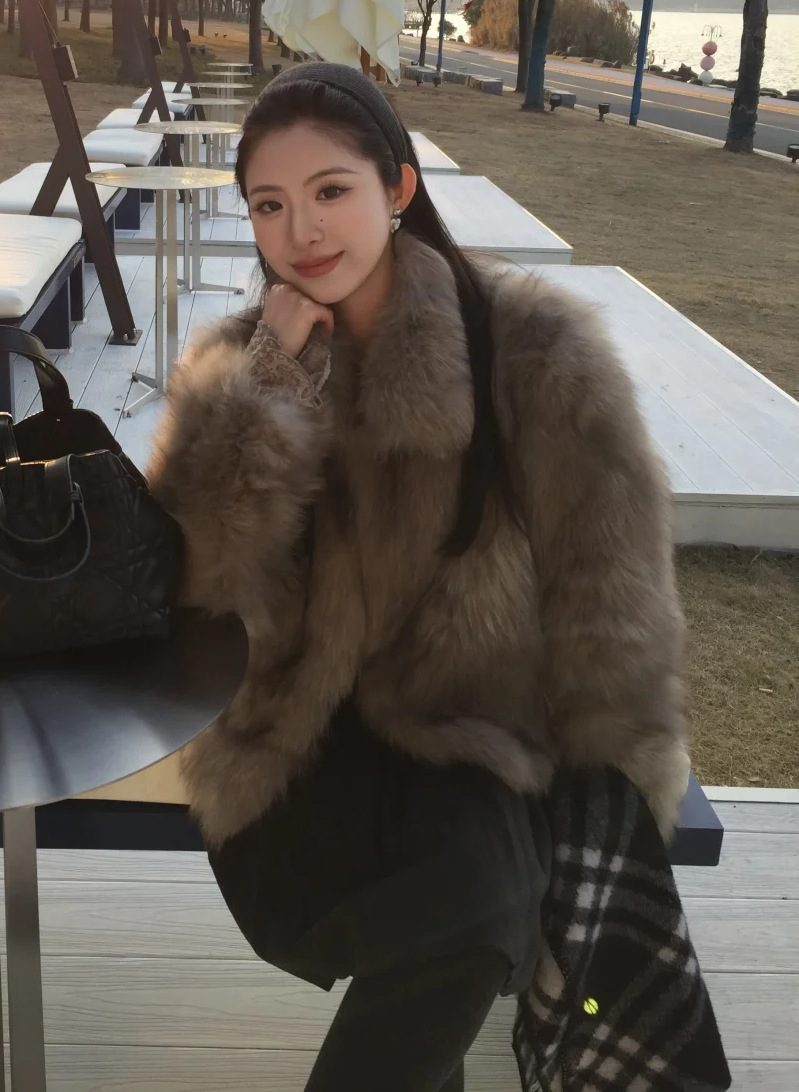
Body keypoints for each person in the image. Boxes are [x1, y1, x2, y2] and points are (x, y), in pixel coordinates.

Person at [147, 63, 690, 1092]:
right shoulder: (240, 358)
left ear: (397, 186)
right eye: (269, 204)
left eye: (330, 190)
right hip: (300, 743)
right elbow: (194, 581)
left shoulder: (532, 351)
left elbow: (611, 607)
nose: (302, 230)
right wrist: (269, 394)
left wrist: (616, 804)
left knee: (474, 901)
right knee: (457, 917)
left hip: (475, 738)